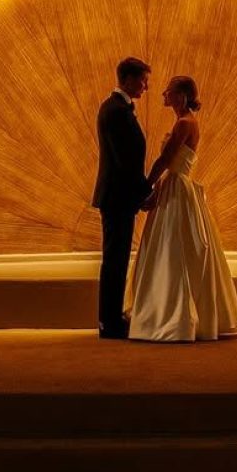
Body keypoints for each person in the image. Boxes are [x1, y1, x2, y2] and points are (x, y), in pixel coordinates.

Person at [125, 76, 237, 342]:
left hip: (177, 188)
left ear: (180, 95)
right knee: (176, 248)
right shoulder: (188, 121)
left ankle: (169, 316)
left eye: (168, 91)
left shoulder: (184, 123)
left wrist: (145, 188)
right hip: (177, 185)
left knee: (171, 249)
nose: (162, 94)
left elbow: (166, 159)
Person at [92, 57, 154, 339]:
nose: (146, 86)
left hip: (118, 196)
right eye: (143, 80)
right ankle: (109, 323)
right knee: (114, 260)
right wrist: (144, 193)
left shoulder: (116, 108)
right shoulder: (116, 111)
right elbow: (124, 161)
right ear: (127, 79)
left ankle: (112, 318)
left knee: (116, 259)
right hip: (117, 197)